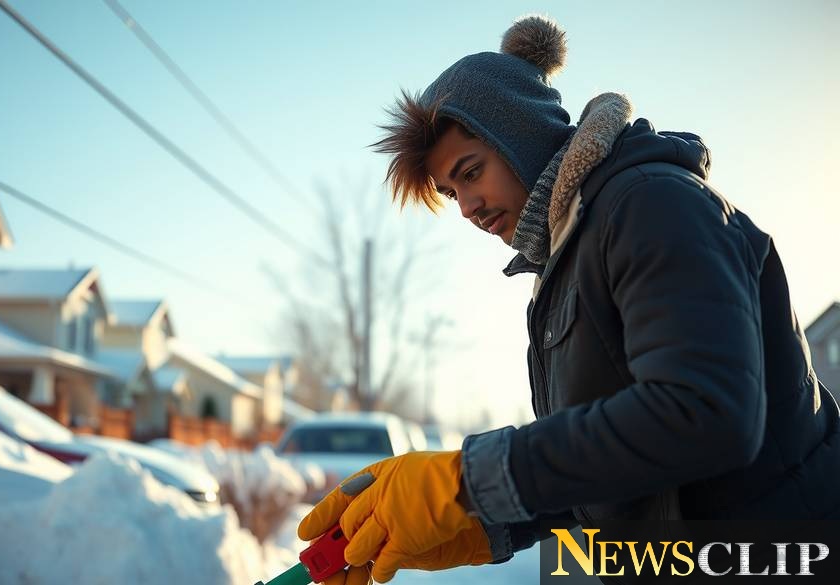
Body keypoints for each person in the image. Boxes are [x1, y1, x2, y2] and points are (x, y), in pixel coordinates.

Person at [296, 14, 840, 585]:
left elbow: (704, 414)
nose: (467, 207)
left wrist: (465, 482)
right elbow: (627, 463)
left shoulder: (651, 205)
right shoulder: (568, 264)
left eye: (471, 172)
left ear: (521, 135)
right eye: (451, 192)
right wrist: (487, 524)